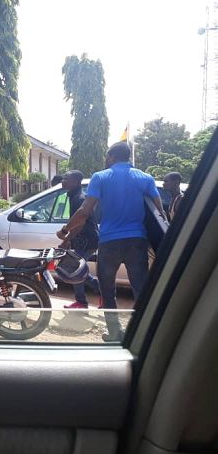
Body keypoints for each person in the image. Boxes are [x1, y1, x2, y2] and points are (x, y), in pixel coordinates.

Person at [58, 142, 165, 341]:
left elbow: (84, 211)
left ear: (112, 157)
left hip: (109, 242)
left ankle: (115, 333)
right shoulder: (145, 178)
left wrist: (65, 230)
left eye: (107, 157)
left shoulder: (100, 177)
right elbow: (160, 212)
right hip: (137, 241)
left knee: (107, 290)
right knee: (141, 289)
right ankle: (143, 334)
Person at [59, 170, 101, 309]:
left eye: (67, 178)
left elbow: (80, 223)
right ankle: (83, 300)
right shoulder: (73, 196)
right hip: (82, 240)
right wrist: (69, 240)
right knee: (77, 269)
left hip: (87, 240)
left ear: (77, 182)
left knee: (75, 269)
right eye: (63, 178)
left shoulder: (79, 198)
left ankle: (97, 295)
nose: (63, 181)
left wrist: (66, 240)